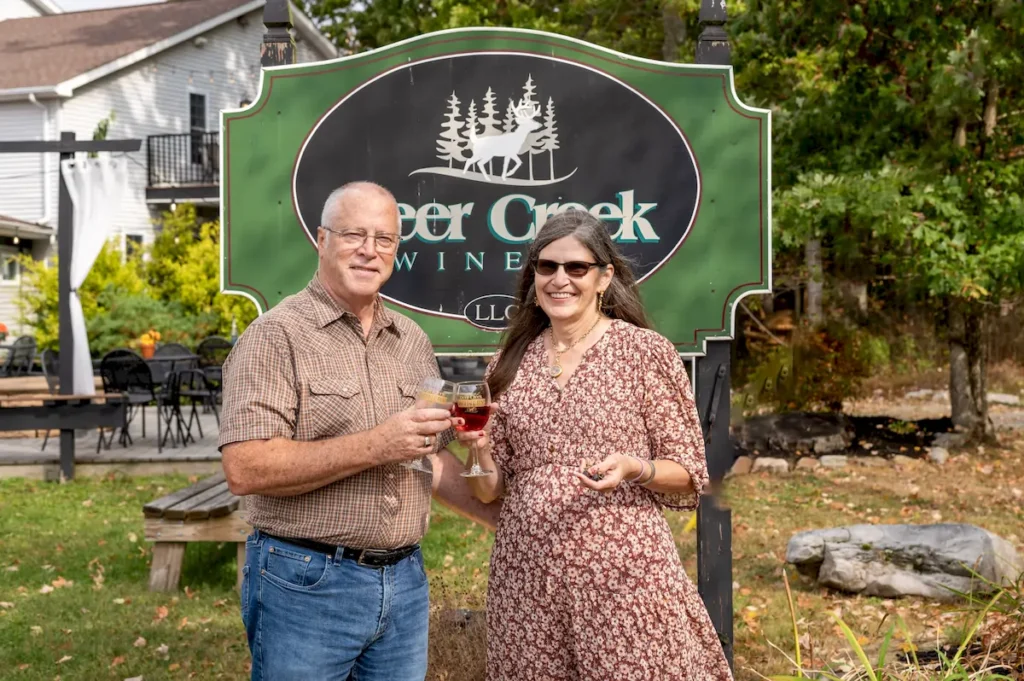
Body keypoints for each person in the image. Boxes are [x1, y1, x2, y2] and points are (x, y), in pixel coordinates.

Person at [219, 181, 499, 681]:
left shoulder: (410, 339)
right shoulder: (275, 337)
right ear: (321, 240)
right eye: (354, 235)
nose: (370, 251)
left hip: (405, 584)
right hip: (305, 583)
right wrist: (375, 445)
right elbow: (245, 467)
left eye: (385, 239)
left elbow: (428, 460)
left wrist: (511, 519)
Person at [455, 210, 733, 680]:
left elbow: (689, 472)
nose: (559, 279)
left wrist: (635, 468)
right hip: (527, 578)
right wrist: (478, 450)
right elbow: (487, 491)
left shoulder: (645, 353)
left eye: (576, 268)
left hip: (623, 575)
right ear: (533, 276)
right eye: (547, 267)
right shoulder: (510, 360)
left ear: (604, 277)